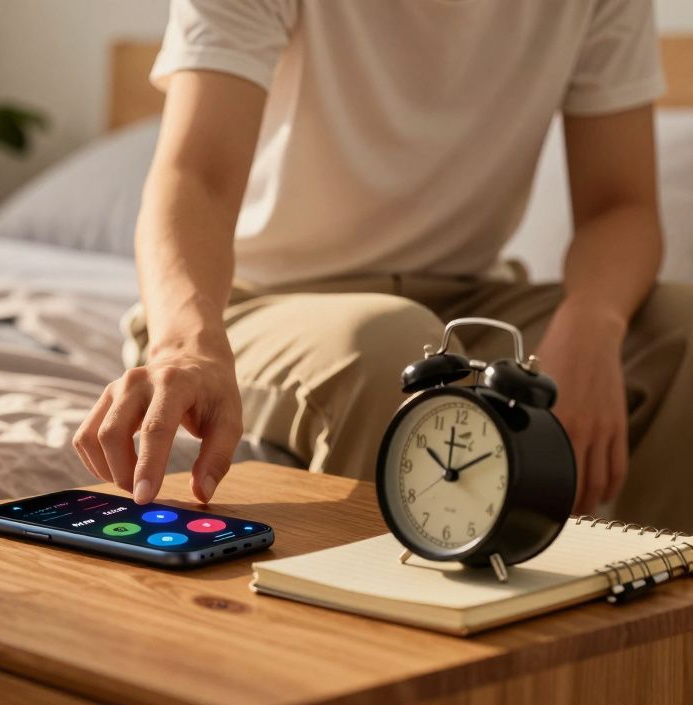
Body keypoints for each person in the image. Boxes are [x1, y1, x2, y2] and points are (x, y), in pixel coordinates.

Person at [73, 0, 693, 528]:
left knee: (682, 329)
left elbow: (620, 206)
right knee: (397, 351)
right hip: (256, 304)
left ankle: (643, 639)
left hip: (468, 297)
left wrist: (593, 323)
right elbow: (195, 176)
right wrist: (185, 342)